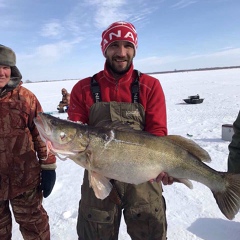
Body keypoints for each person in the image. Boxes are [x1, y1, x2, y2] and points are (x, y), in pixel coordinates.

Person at [68, 21, 173, 240]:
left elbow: (158, 135)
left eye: (128, 45)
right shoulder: (83, 88)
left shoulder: (149, 86)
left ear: (135, 48)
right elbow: (74, 131)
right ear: (105, 49)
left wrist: (165, 168)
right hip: (98, 177)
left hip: (143, 180)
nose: (121, 52)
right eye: (115, 45)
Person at [0, 44, 56, 240]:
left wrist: (49, 166)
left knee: (35, 230)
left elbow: (42, 134)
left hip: (25, 180)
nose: (1, 72)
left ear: (12, 69)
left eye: (5, 67)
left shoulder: (26, 98)